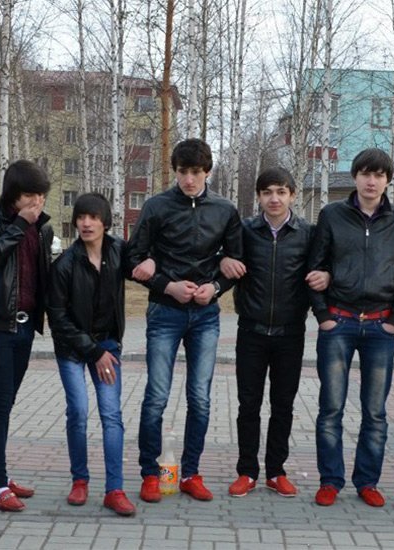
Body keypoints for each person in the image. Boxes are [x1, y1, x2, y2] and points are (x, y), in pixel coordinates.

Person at [127, 138, 243, 502]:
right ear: (174, 171)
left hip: (206, 316)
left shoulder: (225, 210)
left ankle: (191, 472)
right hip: (165, 312)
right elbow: (133, 258)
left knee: (200, 398)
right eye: (182, 172)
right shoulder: (156, 206)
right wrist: (167, 285)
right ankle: (150, 473)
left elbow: (237, 264)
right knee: (157, 396)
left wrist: (217, 287)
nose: (189, 180)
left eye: (196, 172)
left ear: (207, 172)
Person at [308, 148, 394, 508]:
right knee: (331, 408)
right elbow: (315, 267)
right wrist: (322, 316)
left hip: (379, 328)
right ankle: (330, 480)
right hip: (337, 322)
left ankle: (367, 481)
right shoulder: (332, 215)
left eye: (379, 175)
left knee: (375, 412)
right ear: (353, 176)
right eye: (365, 173)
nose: (372, 181)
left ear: (388, 179)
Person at [218, 167, 329, 498]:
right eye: (267, 192)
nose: (274, 198)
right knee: (248, 404)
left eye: (281, 191)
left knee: (283, 404)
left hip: (290, 333)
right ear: (259, 197)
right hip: (251, 331)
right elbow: (228, 263)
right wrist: (223, 263)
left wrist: (327, 277)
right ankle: (247, 472)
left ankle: (276, 471)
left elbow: (322, 269)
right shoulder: (246, 230)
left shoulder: (307, 234)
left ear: (293, 195)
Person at [47, 193, 136, 517]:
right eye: (81, 217)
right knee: (79, 410)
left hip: (108, 346)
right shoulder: (64, 265)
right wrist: (93, 351)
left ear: (105, 222)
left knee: (111, 415)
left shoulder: (118, 252)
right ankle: (79, 481)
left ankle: (115, 489)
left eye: (93, 217)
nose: (86, 223)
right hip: (73, 350)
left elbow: (145, 266)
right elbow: (58, 318)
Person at [0, 160, 53, 512]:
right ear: (13, 194)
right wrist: (20, 225)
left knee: (6, 404)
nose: (35, 202)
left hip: (26, 326)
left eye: (40, 195)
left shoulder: (43, 229)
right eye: (28, 195)